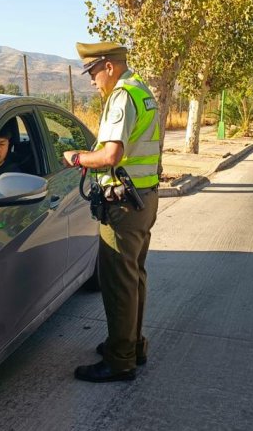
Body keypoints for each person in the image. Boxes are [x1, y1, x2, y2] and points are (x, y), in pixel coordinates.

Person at [63, 41, 161, 383]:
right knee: (133, 277)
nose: (91, 81)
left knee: (118, 282)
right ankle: (132, 345)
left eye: (92, 72)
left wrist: (77, 158)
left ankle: (120, 362)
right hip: (143, 198)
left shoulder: (121, 96)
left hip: (122, 204)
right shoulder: (141, 90)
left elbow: (110, 155)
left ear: (108, 66)